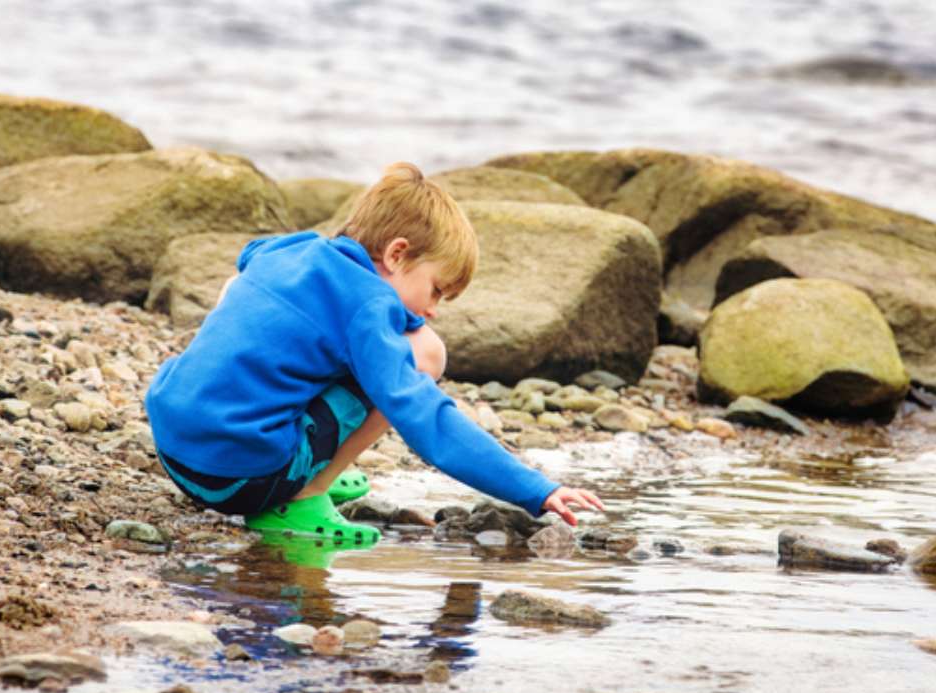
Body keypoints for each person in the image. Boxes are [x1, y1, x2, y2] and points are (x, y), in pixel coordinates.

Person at [144, 162, 604, 546]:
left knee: (245, 295)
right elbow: (427, 421)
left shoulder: (294, 247)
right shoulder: (367, 307)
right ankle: (303, 495)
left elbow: (249, 256)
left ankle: (292, 457)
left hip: (173, 448)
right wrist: (535, 490)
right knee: (425, 353)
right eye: (436, 290)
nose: (432, 309)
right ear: (398, 254)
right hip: (238, 482)